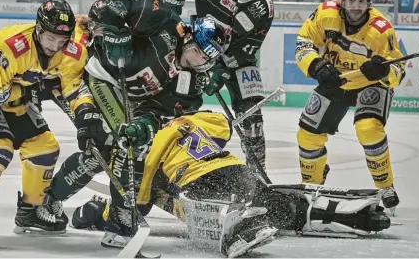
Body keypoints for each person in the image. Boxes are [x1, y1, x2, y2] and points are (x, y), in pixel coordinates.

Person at [41, 0, 228, 238]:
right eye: (198, 52)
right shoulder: (164, 22)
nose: (200, 62)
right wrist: (115, 27)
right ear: (188, 38)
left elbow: (158, 110)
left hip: (129, 96)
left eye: (208, 58)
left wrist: (144, 124)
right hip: (101, 77)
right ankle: (118, 217)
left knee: (124, 144)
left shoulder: (192, 81)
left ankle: (55, 201)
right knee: (116, 146)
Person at [72, 110, 391, 258]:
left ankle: (238, 223)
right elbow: (222, 126)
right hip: (234, 169)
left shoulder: (148, 150)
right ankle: (342, 215)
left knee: (190, 202)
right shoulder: (186, 122)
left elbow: (138, 200)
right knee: (272, 204)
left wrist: (108, 212)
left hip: (199, 182)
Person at [0, 0, 95, 249]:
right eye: (51, 39)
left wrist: (86, 114)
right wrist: (38, 87)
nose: (56, 46)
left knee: (44, 147)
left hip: (14, 88)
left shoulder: (72, 51)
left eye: (62, 40)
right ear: (38, 30)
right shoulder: (9, 47)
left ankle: (31, 211)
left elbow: (73, 88)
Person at [294, 0, 405, 210]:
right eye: (351, 0)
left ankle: (386, 186)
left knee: (368, 129)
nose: (356, 7)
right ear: (342, 0)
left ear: (369, 2)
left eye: (362, 1)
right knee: (307, 135)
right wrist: (316, 65)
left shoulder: (381, 29)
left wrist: (383, 72)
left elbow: (398, 68)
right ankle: (312, 187)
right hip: (337, 81)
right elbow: (304, 42)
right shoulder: (324, 13)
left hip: (369, 83)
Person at [162, 0, 275, 173]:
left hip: (239, 59)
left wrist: (224, 67)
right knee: (182, 105)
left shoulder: (264, 4)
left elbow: (253, 44)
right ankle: (174, 159)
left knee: (252, 119)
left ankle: (258, 173)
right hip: (200, 48)